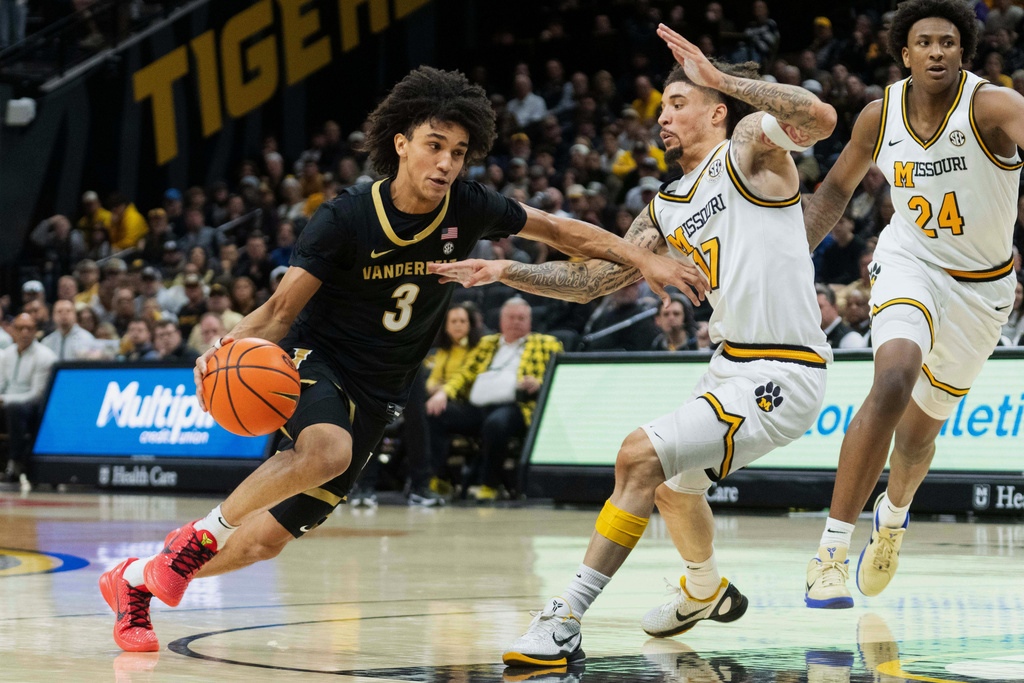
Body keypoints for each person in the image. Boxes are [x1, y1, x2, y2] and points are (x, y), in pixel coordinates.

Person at [98, 66, 706, 653]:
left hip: (381, 389)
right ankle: (197, 537)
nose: (446, 163)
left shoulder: (467, 205)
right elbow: (281, 311)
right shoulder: (344, 217)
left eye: (459, 152)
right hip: (317, 357)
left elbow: (560, 231)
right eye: (434, 146)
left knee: (265, 543)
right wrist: (223, 350)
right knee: (326, 451)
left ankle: (136, 580)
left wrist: (642, 257)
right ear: (401, 143)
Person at [433, 25, 836, 666]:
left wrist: (721, 76)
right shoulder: (666, 206)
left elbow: (819, 117)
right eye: (662, 107)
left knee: (638, 456)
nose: (663, 116)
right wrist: (506, 270)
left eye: (678, 102)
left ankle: (564, 619)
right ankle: (704, 590)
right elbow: (594, 279)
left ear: (717, 110)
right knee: (674, 488)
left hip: (785, 369)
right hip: (729, 364)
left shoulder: (749, 150)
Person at [800, 0, 1024, 609]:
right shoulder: (880, 115)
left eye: (947, 42)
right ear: (905, 53)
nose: (936, 51)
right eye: (924, 42)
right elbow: (836, 188)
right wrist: (792, 259)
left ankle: (893, 518)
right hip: (910, 261)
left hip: (983, 289)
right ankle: (829, 554)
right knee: (894, 377)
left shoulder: (995, 107)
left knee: (919, 439)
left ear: (963, 53)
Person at [426, 298, 561, 501]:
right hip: (479, 406)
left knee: (495, 424)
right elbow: (465, 373)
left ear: (530, 321)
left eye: (521, 318)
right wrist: (444, 392)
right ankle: (439, 478)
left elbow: (559, 377)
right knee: (435, 412)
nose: (516, 322)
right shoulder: (487, 344)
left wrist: (539, 384)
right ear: (501, 320)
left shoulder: (546, 343)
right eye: (511, 317)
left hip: (518, 406)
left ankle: (490, 484)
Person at [0, 315, 57, 485]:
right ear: (12, 330)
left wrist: (5, 399)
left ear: (35, 331)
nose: (24, 332)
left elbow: (36, 395)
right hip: (6, 402)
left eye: (29, 328)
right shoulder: (6, 354)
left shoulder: (45, 356)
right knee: (10, 407)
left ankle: (15, 464)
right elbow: (1, 384)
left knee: (14, 408)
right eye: (20, 328)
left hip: (32, 408)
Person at [816, 284, 867, 349]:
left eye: (820, 307)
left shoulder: (851, 339)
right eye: (812, 308)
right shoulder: (814, 336)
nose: (815, 311)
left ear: (834, 308)